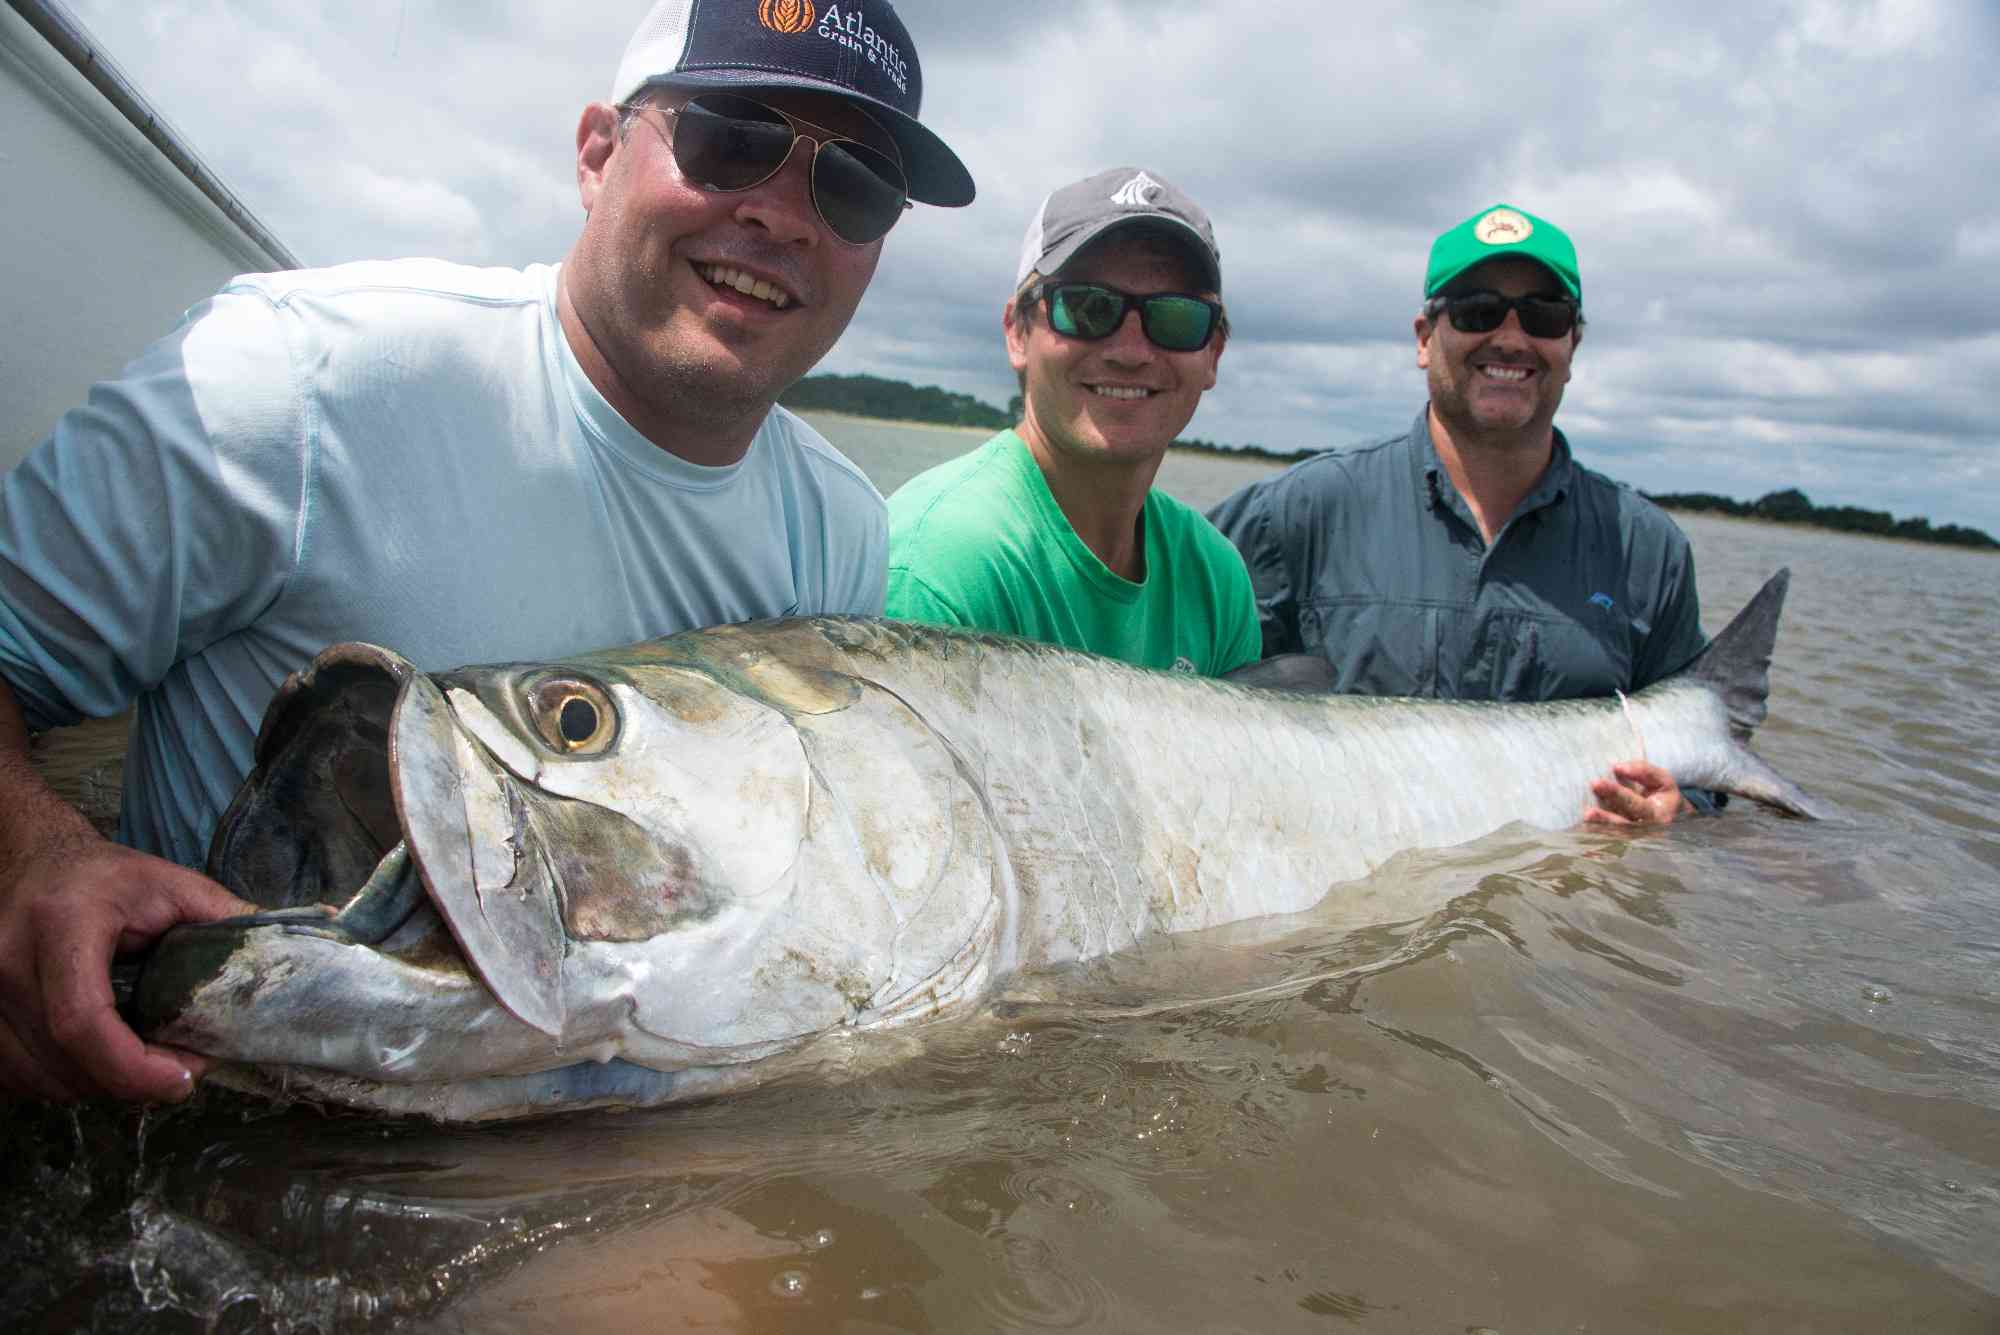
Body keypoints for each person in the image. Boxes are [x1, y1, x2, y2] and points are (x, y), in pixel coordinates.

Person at [0, 0, 973, 1106]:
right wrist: (35, 858)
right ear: (597, 155)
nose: (785, 218)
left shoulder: (840, 526)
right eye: (731, 138)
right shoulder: (300, 382)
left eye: (852, 187)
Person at [1207, 203, 1706, 824]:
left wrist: (1679, 811)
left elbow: (1701, 770)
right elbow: (1168, 681)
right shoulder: (1297, 510)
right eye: (1477, 311)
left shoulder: (1650, 550)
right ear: (1424, 338)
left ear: (1572, 344)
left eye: (1545, 315)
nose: (1512, 337)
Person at [885, 167, 1259, 676]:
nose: (1130, 352)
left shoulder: (1215, 573)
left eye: (1176, 317)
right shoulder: (940, 567)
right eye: (1087, 308)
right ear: (1018, 332)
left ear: (1213, 354)